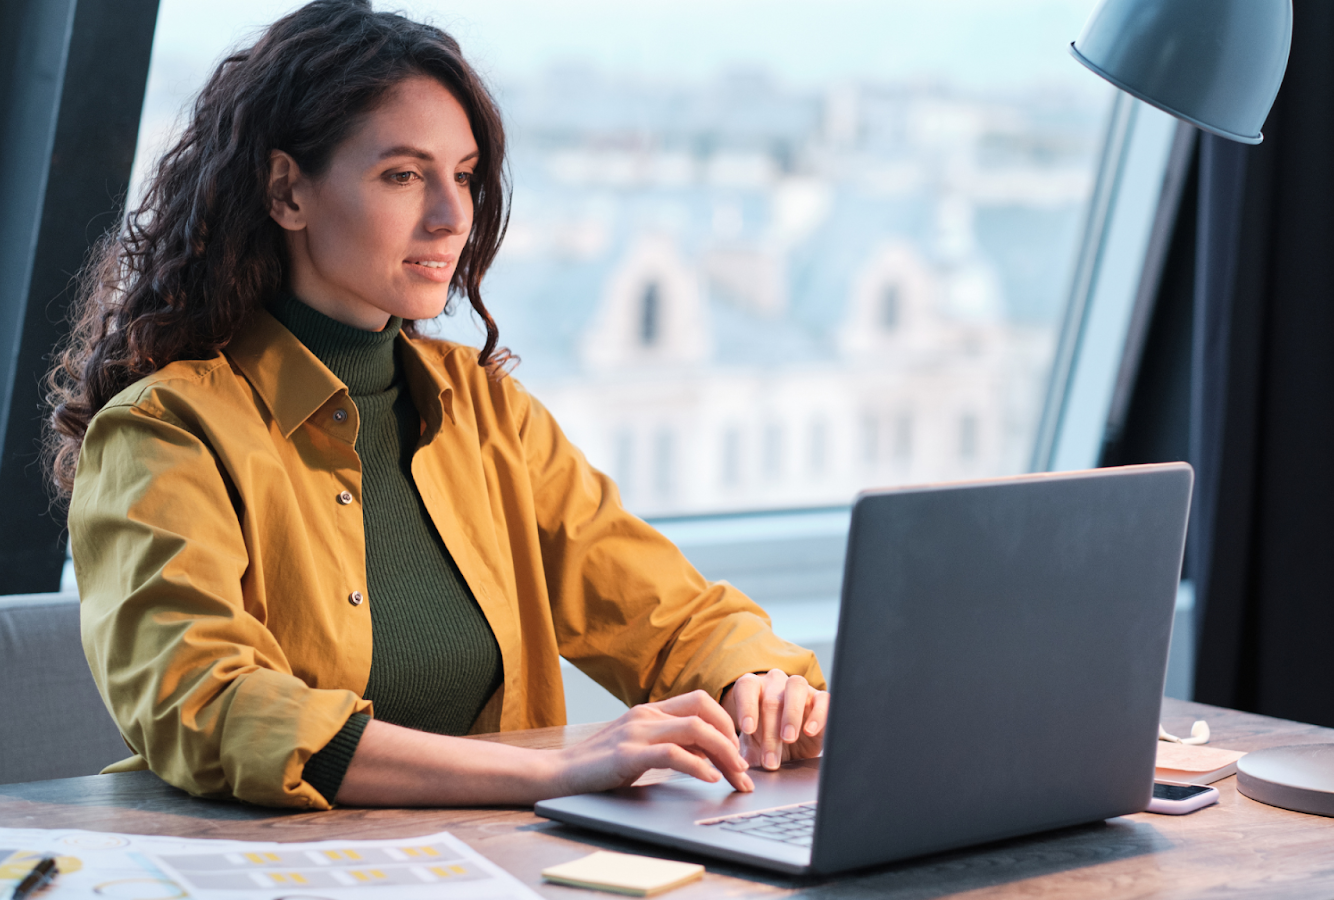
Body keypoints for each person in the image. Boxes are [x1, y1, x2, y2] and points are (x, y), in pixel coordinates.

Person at [45, 0, 828, 811]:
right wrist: (555, 771)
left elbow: (665, 612)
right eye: (404, 175)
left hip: (486, 871)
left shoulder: (490, 414)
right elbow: (210, 705)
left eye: (463, 175)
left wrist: (762, 682)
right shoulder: (165, 433)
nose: (453, 217)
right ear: (287, 191)